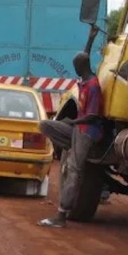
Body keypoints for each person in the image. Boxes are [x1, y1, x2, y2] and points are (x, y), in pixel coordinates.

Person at [38, 49, 104, 228]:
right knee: (45, 125)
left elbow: (93, 116)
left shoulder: (93, 86)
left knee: (74, 171)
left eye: (76, 66)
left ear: (80, 66)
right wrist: (90, 39)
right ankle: (69, 148)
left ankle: (61, 215)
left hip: (86, 132)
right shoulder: (84, 80)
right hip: (77, 131)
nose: (74, 69)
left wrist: (72, 120)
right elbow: (85, 54)